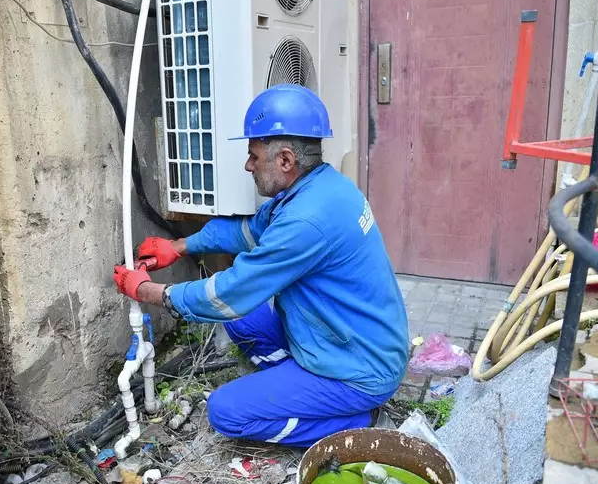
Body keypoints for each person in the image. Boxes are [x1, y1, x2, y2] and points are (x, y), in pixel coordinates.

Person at [112, 84, 408, 447]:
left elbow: (231, 292)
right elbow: (249, 231)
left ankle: (360, 421)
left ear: (285, 160)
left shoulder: (305, 221)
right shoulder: (321, 188)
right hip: (350, 340)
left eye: (253, 155)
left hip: (358, 371)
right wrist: (178, 246)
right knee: (242, 319)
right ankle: (300, 387)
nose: (248, 165)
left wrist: (148, 291)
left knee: (226, 412)